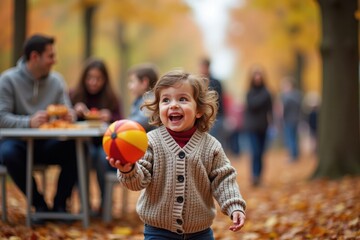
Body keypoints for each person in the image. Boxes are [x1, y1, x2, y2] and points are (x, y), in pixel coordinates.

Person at [107, 70, 246, 239]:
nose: (173, 105)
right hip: (158, 230)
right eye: (166, 100)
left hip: (199, 232)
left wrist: (234, 206)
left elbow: (224, 179)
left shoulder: (211, 146)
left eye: (183, 99)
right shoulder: (149, 142)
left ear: (199, 110)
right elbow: (139, 181)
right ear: (158, 109)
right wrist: (129, 169)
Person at [0, 34, 77, 218]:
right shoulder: (7, 80)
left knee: (77, 148)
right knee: (8, 152)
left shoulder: (57, 81)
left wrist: (69, 116)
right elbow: (1, 118)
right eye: (50, 56)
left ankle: (59, 206)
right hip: (17, 144)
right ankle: (39, 204)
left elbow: (69, 111)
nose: (54, 60)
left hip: (46, 143)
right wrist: (29, 122)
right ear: (35, 57)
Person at [70, 58, 122, 215]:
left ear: (105, 80)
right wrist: (74, 112)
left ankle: (104, 204)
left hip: (105, 144)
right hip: (81, 143)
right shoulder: (73, 95)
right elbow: (64, 119)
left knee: (101, 156)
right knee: (85, 154)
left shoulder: (112, 98)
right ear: (84, 78)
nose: (93, 82)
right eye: (90, 78)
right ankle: (84, 204)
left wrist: (110, 117)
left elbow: (121, 124)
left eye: (98, 79)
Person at [244, 65, 273, 187]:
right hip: (252, 127)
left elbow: (270, 109)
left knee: (261, 153)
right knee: (255, 152)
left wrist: (273, 124)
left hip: (263, 126)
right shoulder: (250, 93)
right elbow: (252, 105)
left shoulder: (267, 92)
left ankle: (259, 176)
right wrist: (264, 96)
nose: (257, 77)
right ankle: (254, 176)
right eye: (255, 75)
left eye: (259, 75)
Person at [199, 58, 226, 145]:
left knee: (216, 141)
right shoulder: (198, 82)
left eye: (203, 67)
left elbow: (220, 99)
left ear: (208, 67)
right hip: (202, 117)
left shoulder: (216, 82)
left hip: (217, 116)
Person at [127, 63, 159, 132]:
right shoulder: (140, 99)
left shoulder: (150, 100)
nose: (129, 86)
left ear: (144, 82)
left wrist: (120, 124)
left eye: (132, 81)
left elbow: (140, 122)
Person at [280, 76, 302, 162]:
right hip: (296, 119)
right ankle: (295, 155)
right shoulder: (298, 95)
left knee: (291, 138)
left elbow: (283, 109)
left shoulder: (287, 96)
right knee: (294, 138)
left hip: (289, 119)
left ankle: (293, 156)